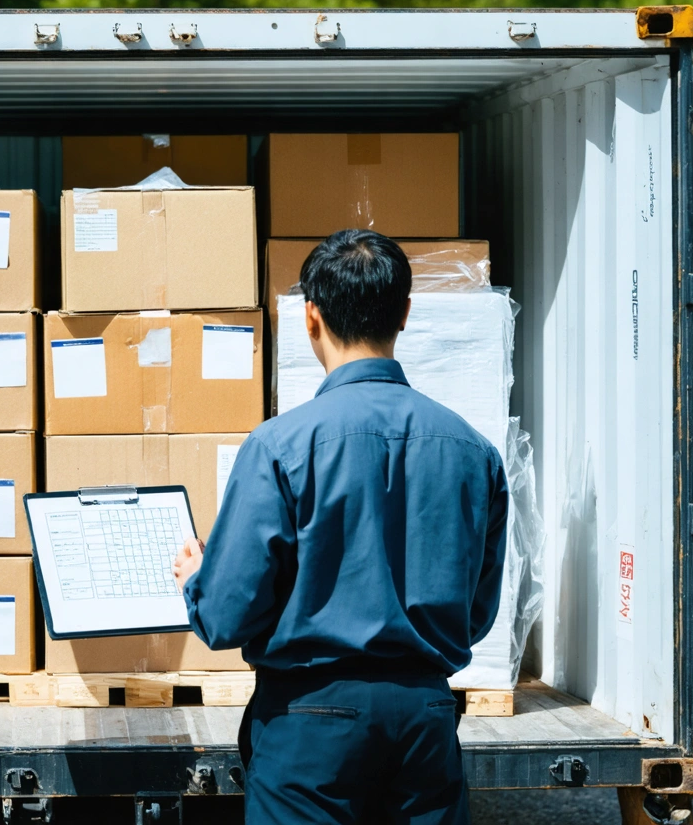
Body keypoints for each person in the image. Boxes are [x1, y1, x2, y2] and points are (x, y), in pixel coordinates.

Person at [173, 229, 508, 824]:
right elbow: (477, 612)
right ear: (405, 313)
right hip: (424, 721)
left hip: (310, 727)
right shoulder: (472, 451)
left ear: (311, 318)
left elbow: (226, 617)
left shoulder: (279, 446)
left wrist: (199, 579)